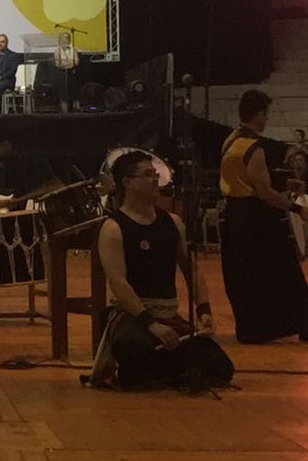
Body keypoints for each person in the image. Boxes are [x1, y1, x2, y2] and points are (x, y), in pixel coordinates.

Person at [92, 150, 234, 389]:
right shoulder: (113, 228)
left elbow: (191, 270)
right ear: (127, 182)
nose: (155, 179)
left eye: (155, 174)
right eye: (147, 174)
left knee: (220, 367)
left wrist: (204, 310)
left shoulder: (173, 223)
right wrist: (151, 324)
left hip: (167, 316)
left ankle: (167, 369)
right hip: (133, 316)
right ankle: (170, 369)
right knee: (133, 349)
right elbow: (118, 283)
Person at [219, 90, 308, 344]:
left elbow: (242, 178)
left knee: (245, 276)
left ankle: (253, 329)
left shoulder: (231, 140)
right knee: (283, 272)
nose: (267, 118)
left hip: (235, 216)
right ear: (259, 115)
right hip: (257, 219)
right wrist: (298, 210)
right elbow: (265, 192)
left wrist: (285, 183)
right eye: (266, 113)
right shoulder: (254, 148)